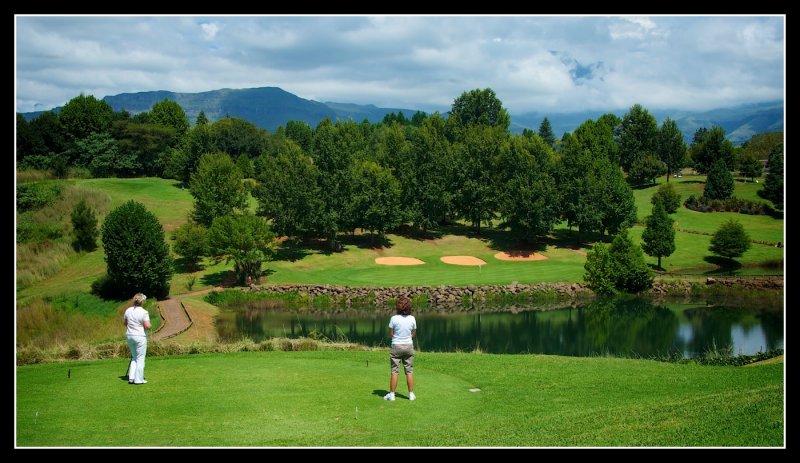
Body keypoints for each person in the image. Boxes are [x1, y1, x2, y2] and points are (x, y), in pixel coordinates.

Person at [384, 296, 417, 401]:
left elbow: (390, 334)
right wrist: (407, 337)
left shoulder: (394, 318)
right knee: (409, 371)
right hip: (408, 346)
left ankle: (392, 395)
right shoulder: (412, 318)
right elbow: (413, 333)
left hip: (396, 346)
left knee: (394, 371)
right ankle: (411, 395)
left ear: (398, 307)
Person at [124, 293, 151, 385]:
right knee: (140, 358)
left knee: (134, 357)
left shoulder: (128, 310)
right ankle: (139, 379)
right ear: (142, 302)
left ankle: (131, 378)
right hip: (139, 336)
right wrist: (148, 325)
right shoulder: (144, 312)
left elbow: (125, 323)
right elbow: (147, 326)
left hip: (129, 335)